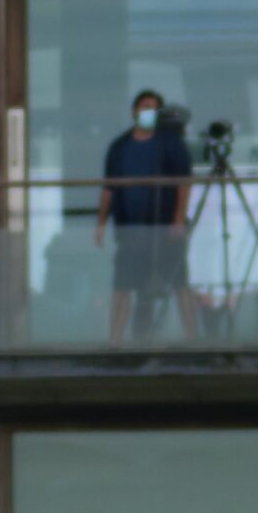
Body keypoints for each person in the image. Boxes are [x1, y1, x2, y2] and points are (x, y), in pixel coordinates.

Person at [95, 89, 197, 344]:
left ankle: (193, 338)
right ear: (133, 112)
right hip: (130, 229)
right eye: (143, 107)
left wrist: (178, 219)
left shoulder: (170, 142)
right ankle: (115, 340)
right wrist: (100, 223)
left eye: (153, 108)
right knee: (123, 285)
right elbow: (109, 188)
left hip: (164, 227)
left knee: (178, 281)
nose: (147, 113)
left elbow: (183, 183)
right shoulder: (120, 146)